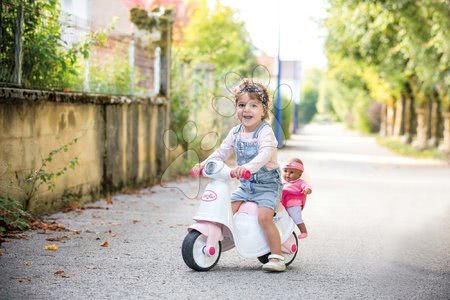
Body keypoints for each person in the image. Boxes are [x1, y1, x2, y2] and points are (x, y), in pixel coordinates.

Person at [191, 78, 285, 272]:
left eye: (253, 105)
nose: (246, 110)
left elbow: (265, 153)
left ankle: (277, 256)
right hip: (245, 186)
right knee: (226, 208)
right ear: (236, 108)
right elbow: (222, 151)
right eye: (241, 105)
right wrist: (204, 164)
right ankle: (217, 236)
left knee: (264, 217)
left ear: (263, 110)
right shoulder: (236, 132)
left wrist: (248, 167)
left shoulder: (265, 132)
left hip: (267, 186)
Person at [281, 158, 312, 239]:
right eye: (285, 171)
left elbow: (307, 186)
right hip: (283, 204)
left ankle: (304, 231)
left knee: (296, 217)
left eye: (291, 172)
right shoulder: (283, 183)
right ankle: (284, 232)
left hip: (294, 205)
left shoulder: (300, 182)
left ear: (299, 174)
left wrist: (307, 190)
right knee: (281, 218)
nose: (287, 174)